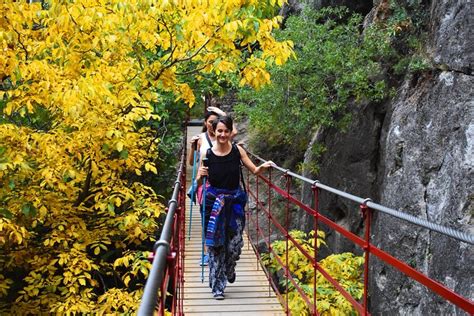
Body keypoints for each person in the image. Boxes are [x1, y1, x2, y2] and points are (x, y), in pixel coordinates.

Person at [196, 115, 274, 300]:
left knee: (235, 245)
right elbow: (199, 182)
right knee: (216, 247)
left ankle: (229, 268)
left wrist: (263, 166)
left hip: (235, 202)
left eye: (226, 131)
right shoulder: (207, 154)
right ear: (214, 131)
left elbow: (254, 170)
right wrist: (200, 175)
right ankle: (217, 287)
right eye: (219, 131)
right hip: (214, 203)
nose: (222, 134)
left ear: (231, 132)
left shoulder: (237, 151)